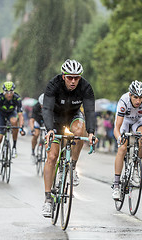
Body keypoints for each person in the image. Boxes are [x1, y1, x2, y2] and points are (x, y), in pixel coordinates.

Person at [41, 59, 98, 217]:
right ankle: (47, 200)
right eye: (70, 77)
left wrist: (92, 132)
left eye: (77, 78)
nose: (73, 81)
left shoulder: (85, 87)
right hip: (55, 119)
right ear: (63, 76)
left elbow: (90, 111)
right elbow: (46, 109)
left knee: (80, 131)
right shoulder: (54, 85)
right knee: (52, 157)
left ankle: (72, 165)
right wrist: (49, 129)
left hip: (73, 116)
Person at [112, 80, 142, 200]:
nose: (138, 101)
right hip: (125, 121)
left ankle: (135, 166)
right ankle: (116, 185)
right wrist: (119, 139)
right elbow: (116, 128)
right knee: (122, 147)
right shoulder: (124, 101)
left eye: (140, 98)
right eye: (135, 97)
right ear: (130, 95)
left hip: (138, 121)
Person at [0, 81, 25, 174]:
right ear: (4, 92)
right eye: (7, 92)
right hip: (1, 115)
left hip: (11, 113)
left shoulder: (17, 98)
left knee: (14, 121)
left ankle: (14, 146)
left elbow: (20, 115)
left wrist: (21, 127)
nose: (9, 94)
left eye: (11, 92)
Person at [29, 93, 44, 161]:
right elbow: (32, 120)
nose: (42, 106)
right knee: (36, 134)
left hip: (46, 121)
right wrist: (32, 130)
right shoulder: (36, 107)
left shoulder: (52, 106)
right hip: (38, 120)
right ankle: (33, 151)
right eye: (41, 105)